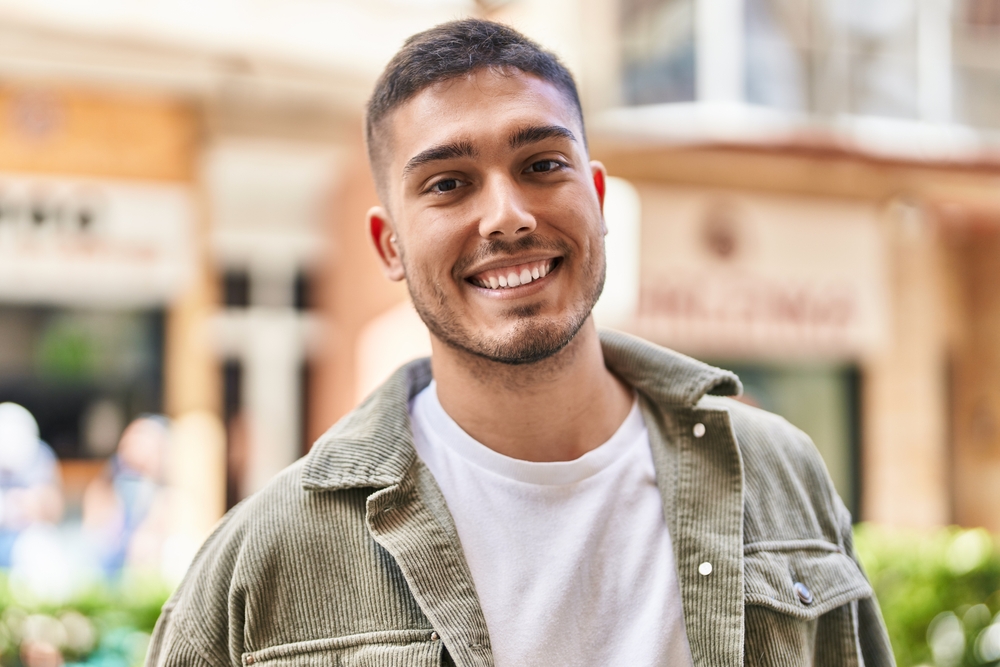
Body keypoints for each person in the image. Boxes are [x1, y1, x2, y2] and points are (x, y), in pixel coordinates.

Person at [147, 19, 894, 666]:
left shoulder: (776, 470)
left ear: (598, 200)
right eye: (447, 182)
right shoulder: (267, 555)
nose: (507, 217)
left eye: (541, 165)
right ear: (390, 246)